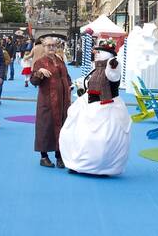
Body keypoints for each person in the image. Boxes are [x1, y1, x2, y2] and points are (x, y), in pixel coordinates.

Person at [59, 38, 131, 175]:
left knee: (101, 140)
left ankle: (101, 167)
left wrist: (113, 62)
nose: (96, 53)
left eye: (100, 52)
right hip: (91, 106)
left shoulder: (111, 67)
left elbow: (113, 73)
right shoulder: (96, 69)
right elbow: (89, 83)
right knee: (80, 134)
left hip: (106, 109)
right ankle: (79, 164)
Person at [30, 37, 72, 168]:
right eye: (48, 46)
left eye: (53, 45)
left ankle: (60, 156)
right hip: (47, 101)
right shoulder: (39, 62)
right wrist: (39, 72)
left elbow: (66, 76)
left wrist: (71, 85)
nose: (51, 48)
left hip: (63, 101)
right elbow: (33, 81)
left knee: (63, 128)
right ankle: (44, 156)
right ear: (43, 47)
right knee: (45, 127)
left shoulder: (60, 60)